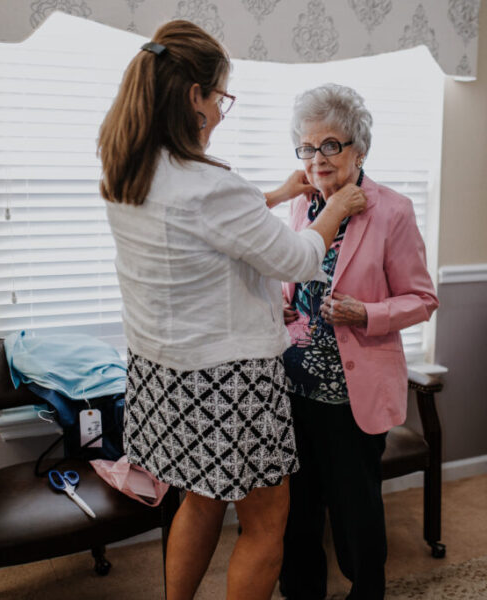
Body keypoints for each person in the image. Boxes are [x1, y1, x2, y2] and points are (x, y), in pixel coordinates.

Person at [97, 21, 367, 600]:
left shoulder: (129, 172)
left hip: (162, 374)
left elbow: (200, 226)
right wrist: (336, 207)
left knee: (198, 499)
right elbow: (295, 258)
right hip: (229, 381)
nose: (222, 111)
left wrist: (272, 195)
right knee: (266, 524)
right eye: (220, 97)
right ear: (193, 95)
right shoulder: (211, 185)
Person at [278, 83, 439, 600]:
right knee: (297, 511)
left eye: (330, 144)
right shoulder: (302, 207)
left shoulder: (391, 210)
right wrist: (283, 308)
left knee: (356, 511)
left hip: (353, 394)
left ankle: (366, 590)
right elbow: (290, 279)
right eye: (307, 147)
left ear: (359, 149)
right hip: (293, 388)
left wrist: (364, 312)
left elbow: (421, 298)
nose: (317, 158)